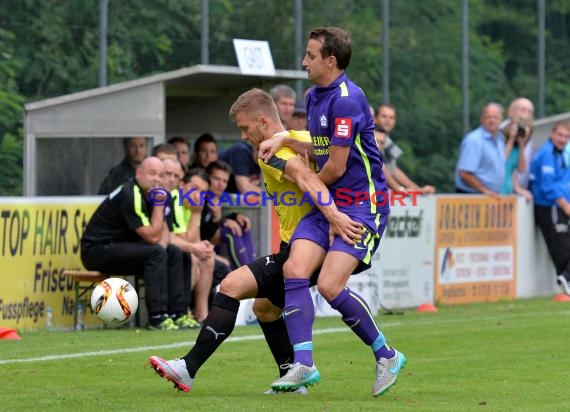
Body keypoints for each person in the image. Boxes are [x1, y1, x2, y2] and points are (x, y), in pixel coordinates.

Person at [148, 88, 361, 393]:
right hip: (304, 245)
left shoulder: (269, 154)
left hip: (306, 249)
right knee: (265, 309)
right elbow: (332, 151)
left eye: (245, 128)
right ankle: (293, 377)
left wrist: (335, 217)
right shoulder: (300, 137)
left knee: (231, 286)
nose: (244, 136)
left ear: (263, 123)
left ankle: (188, 368)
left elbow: (304, 178)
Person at [258, 27, 406, 397]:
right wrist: (287, 139)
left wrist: (308, 185)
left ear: (331, 61)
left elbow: (335, 167)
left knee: (328, 284)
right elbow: (318, 147)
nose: (303, 61)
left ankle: (386, 354)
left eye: (310, 55)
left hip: (362, 205)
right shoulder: (313, 96)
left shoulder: (348, 101)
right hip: (329, 202)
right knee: (294, 268)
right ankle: (303, 365)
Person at [82, 157, 187, 330]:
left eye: (161, 175)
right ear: (138, 174)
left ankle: (178, 314)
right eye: (152, 173)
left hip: (124, 248)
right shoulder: (131, 194)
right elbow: (153, 238)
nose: (157, 179)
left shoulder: (161, 195)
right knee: (157, 252)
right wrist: (159, 206)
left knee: (174, 252)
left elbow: (165, 236)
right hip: (97, 250)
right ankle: (157, 317)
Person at [162, 158, 214, 327]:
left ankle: (202, 313)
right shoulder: (175, 199)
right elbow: (183, 240)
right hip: (169, 251)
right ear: (182, 185)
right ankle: (182, 311)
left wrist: (203, 248)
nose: (197, 195)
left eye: (203, 192)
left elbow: (195, 241)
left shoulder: (192, 205)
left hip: (182, 248)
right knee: (190, 259)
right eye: (194, 189)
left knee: (208, 257)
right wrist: (197, 214)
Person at [530, 121, 570, 296]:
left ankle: (566, 276)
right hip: (549, 205)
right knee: (561, 242)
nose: (562, 139)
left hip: (559, 204)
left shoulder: (561, 154)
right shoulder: (547, 153)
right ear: (552, 134)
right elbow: (547, 187)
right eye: (560, 135)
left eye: (566, 136)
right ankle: (566, 277)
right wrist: (565, 206)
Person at [203, 160, 256, 269]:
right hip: (200, 238)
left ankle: (253, 270)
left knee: (242, 225)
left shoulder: (218, 197)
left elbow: (217, 218)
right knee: (231, 231)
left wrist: (235, 216)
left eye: (224, 181)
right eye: (216, 179)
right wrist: (225, 221)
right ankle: (245, 274)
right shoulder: (200, 195)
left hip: (212, 235)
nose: (221, 184)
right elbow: (203, 224)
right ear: (207, 178)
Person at [374, 103, 435, 194]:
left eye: (391, 117)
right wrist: (400, 189)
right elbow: (379, 166)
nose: (388, 120)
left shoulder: (386, 139)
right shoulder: (370, 136)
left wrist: (418, 190)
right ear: (374, 119)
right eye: (384, 116)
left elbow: (392, 169)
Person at [454, 103, 507, 197]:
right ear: (482, 119)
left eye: (496, 117)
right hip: (473, 196)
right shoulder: (474, 140)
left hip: (492, 196)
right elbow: (464, 173)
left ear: (501, 119)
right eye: (489, 117)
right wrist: (485, 190)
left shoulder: (500, 139)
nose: (492, 120)